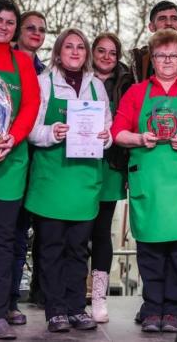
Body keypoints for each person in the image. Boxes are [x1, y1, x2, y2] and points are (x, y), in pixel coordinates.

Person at [112, 28, 177, 333]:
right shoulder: (136, 93)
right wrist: (139, 137)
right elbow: (117, 132)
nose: (167, 60)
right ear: (152, 59)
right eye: (161, 55)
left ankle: (174, 310)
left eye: (173, 55)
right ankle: (152, 308)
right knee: (151, 253)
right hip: (151, 185)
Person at [26, 28, 112, 332]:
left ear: (86, 54)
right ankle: (56, 310)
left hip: (84, 182)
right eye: (69, 47)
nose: (75, 52)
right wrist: (52, 133)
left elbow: (108, 131)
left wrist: (106, 137)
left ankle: (77, 307)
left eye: (80, 48)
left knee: (79, 249)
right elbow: (30, 129)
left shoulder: (96, 87)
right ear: (59, 51)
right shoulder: (42, 83)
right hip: (52, 180)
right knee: (51, 249)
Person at [0, 0, 41, 339]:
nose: (4, 26)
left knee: (2, 242)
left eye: (9, 22)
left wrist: (12, 138)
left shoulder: (22, 61)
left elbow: (31, 105)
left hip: (10, 162)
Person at [89, 31, 134, 323]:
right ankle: (66, 293)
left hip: (112, 163)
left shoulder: (128, 83)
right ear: (93, 52)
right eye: (101, 51)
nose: (107, 57)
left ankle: (98, 297)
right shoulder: (76, 78)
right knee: (76, 232)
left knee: (101, 231)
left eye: (112, 53)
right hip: (77, 163)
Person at [7, 10, 47, 326]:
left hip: (38, 167)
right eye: (29, 27)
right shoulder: (2, 64)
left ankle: (11, 301)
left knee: (22, 238)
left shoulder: (45, 73)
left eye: (41, 29)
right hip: (6, 162)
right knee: (4, 235)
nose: (35, 33)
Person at [14, 10, 47, 75]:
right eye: (31, 28)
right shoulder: (0, 62)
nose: (37, 33)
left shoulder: (47, 74)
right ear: (18, 31)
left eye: (42, 30)